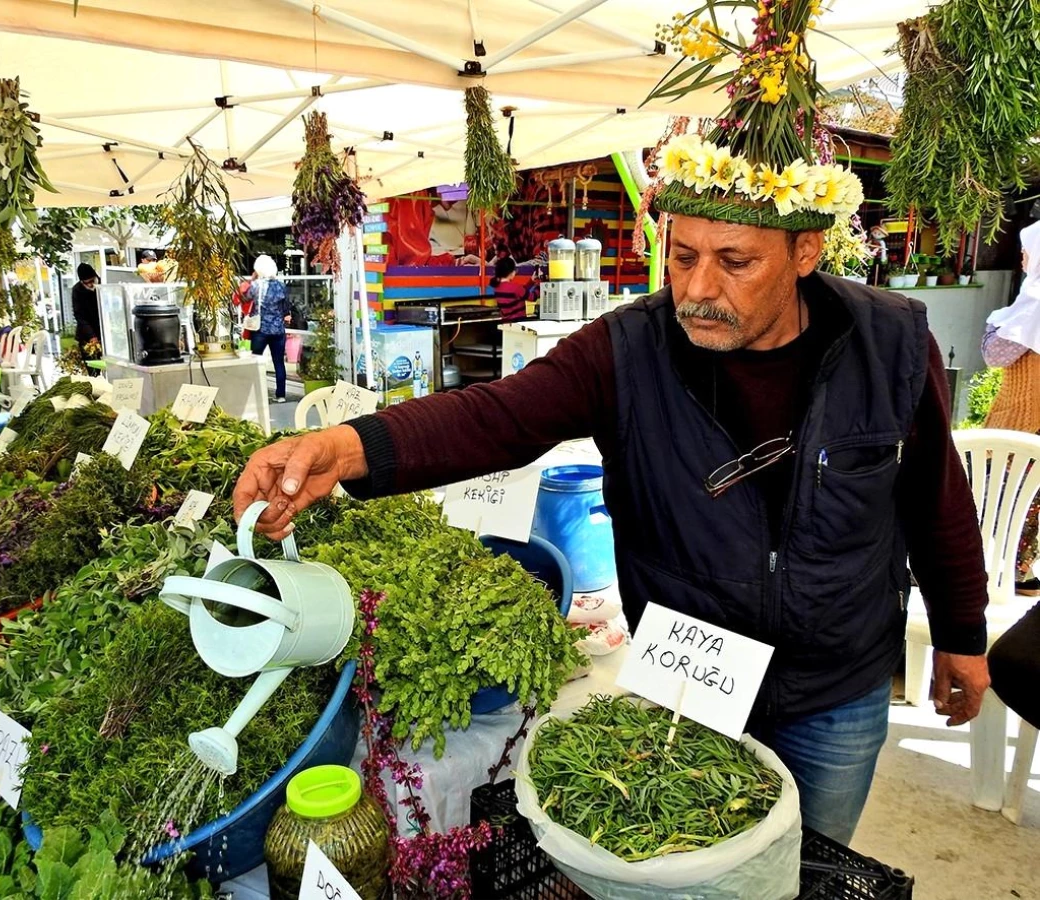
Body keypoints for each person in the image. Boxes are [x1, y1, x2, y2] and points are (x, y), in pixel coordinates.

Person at [231, 6, 990, 848]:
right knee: (691, 857)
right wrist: (344, 447)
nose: (699, 287)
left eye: (736, 262)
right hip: (690, 682)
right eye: (684, 254)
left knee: (812, 862)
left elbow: (935, 499)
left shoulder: (888, 341)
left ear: (805, 253)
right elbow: (498, 418)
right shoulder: (629, 349)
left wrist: (962, 635)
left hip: (835, 684)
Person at [981, 221, 1040, 594]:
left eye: (1027, 250)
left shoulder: (1034, 302)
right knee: (1032, 499)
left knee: (997, 494)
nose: (1021, 258)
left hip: (1020, 419)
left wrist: (991, 329)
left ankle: (995, 568)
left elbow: (995, 354)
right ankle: (1021, 571)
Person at [247, 255, 291, 404]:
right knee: (279, 362)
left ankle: (256, 393)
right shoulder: (281, 286)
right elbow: (286, 308)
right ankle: (281, 395)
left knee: (256, 362)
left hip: (260, 329)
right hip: (278, 329)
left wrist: (252, 279)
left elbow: (246, 298)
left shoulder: (256, 286)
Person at [490, 256, 539, 323]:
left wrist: (531, 281)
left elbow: (520, 293)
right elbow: (532, 297)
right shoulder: (516, 288)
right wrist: (539, 285)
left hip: (506, 322)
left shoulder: (496, 288)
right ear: (511, 272)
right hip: (519, 323)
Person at [71, 263, 102, 346]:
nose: (90, 285)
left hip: (103, 328)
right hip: (86, 332)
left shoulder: (103, 284)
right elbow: (79, 315)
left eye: (92, 281)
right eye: (86, 283)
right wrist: (91, 335)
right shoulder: (77, 290)